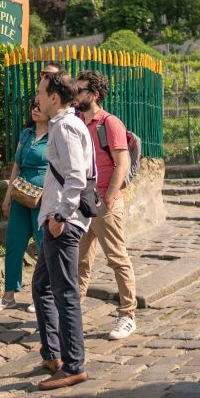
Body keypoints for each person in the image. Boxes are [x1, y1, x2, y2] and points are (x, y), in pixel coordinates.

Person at [32, 71, 93, 390]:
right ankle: (53, 354)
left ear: (54, 98)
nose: (37, 99)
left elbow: (75, 179)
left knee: (65, 294)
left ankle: (73, 365)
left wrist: (59, 216)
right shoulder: (63, 125)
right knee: (41, 286)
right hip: (56, 220)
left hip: (62, 223)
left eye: (41, 93)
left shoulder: (66, 127)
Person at [75, 70, 137, 340]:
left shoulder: (109, 123)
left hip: (104, 202)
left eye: (80, 91)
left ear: (94, 95)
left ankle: (127, 315)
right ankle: (72, 312)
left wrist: (109, 198)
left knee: (117, 258)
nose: (75, 95)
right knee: (79, 260)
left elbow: (121, 163)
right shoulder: (76, 121)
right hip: (81, 201)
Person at [0, 97, 48, 313]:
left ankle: (39, 296)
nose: (35, 109)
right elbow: (16, 166)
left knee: (43, 247)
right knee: (13, 244)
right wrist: (7, 195)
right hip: (21, 195)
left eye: (40, 106)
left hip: (43, 198)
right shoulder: (27, 134)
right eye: (33, 105)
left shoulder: (55, 135)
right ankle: (9, 295)